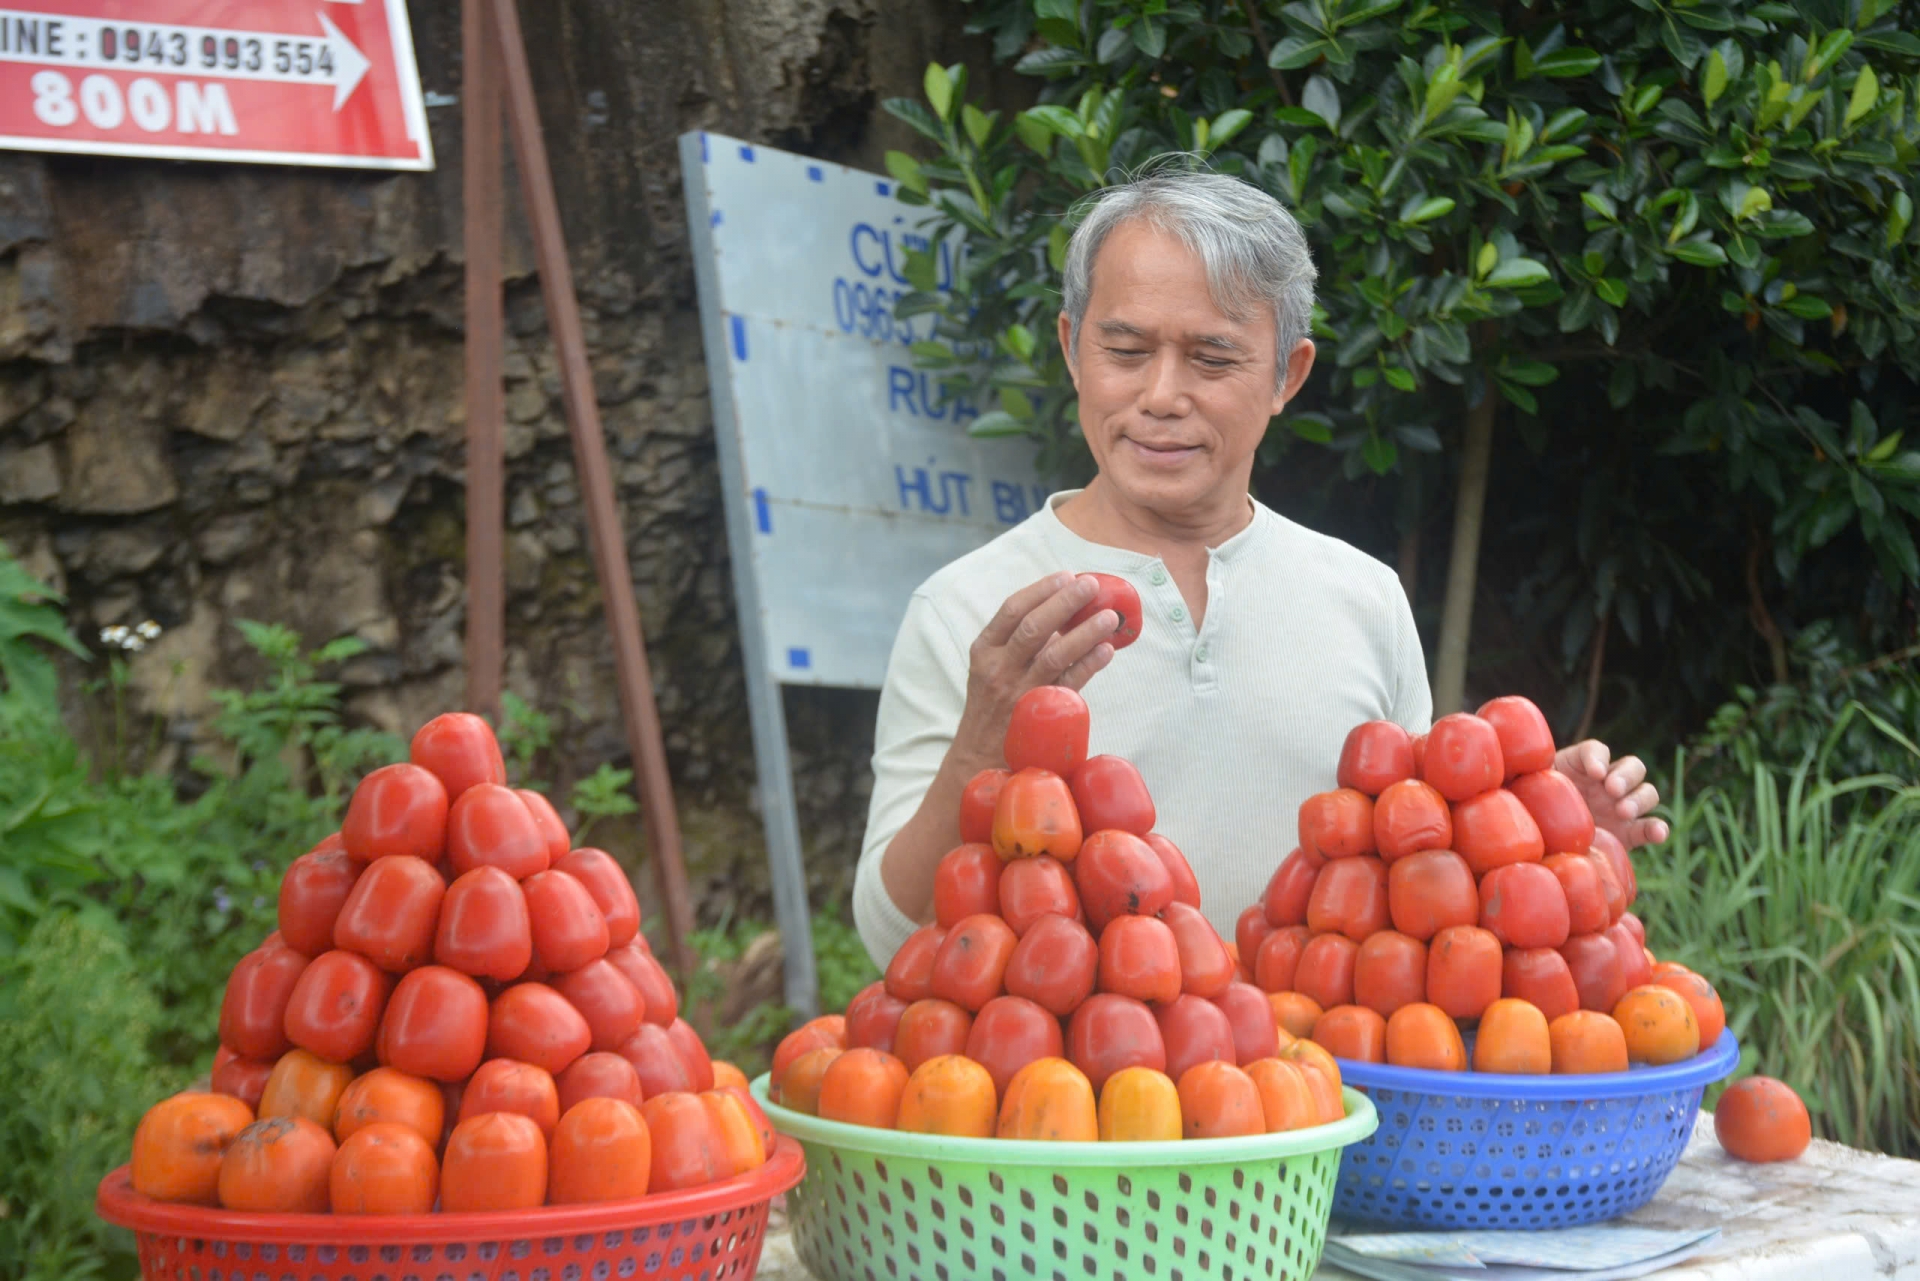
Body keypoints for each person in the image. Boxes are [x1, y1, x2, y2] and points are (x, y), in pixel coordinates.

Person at [851, 168, 1667, 966]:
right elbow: (893, 934)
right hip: (1080, 1094)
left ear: (1289, 376)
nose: (1162, 394)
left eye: (1213, 359)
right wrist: (980, 749)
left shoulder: (1361, 598)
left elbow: (1422, 886)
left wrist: (1534, 818)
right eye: (1126, 348)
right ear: (1071, 349)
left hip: (1328, 1091)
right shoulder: (969, 608)